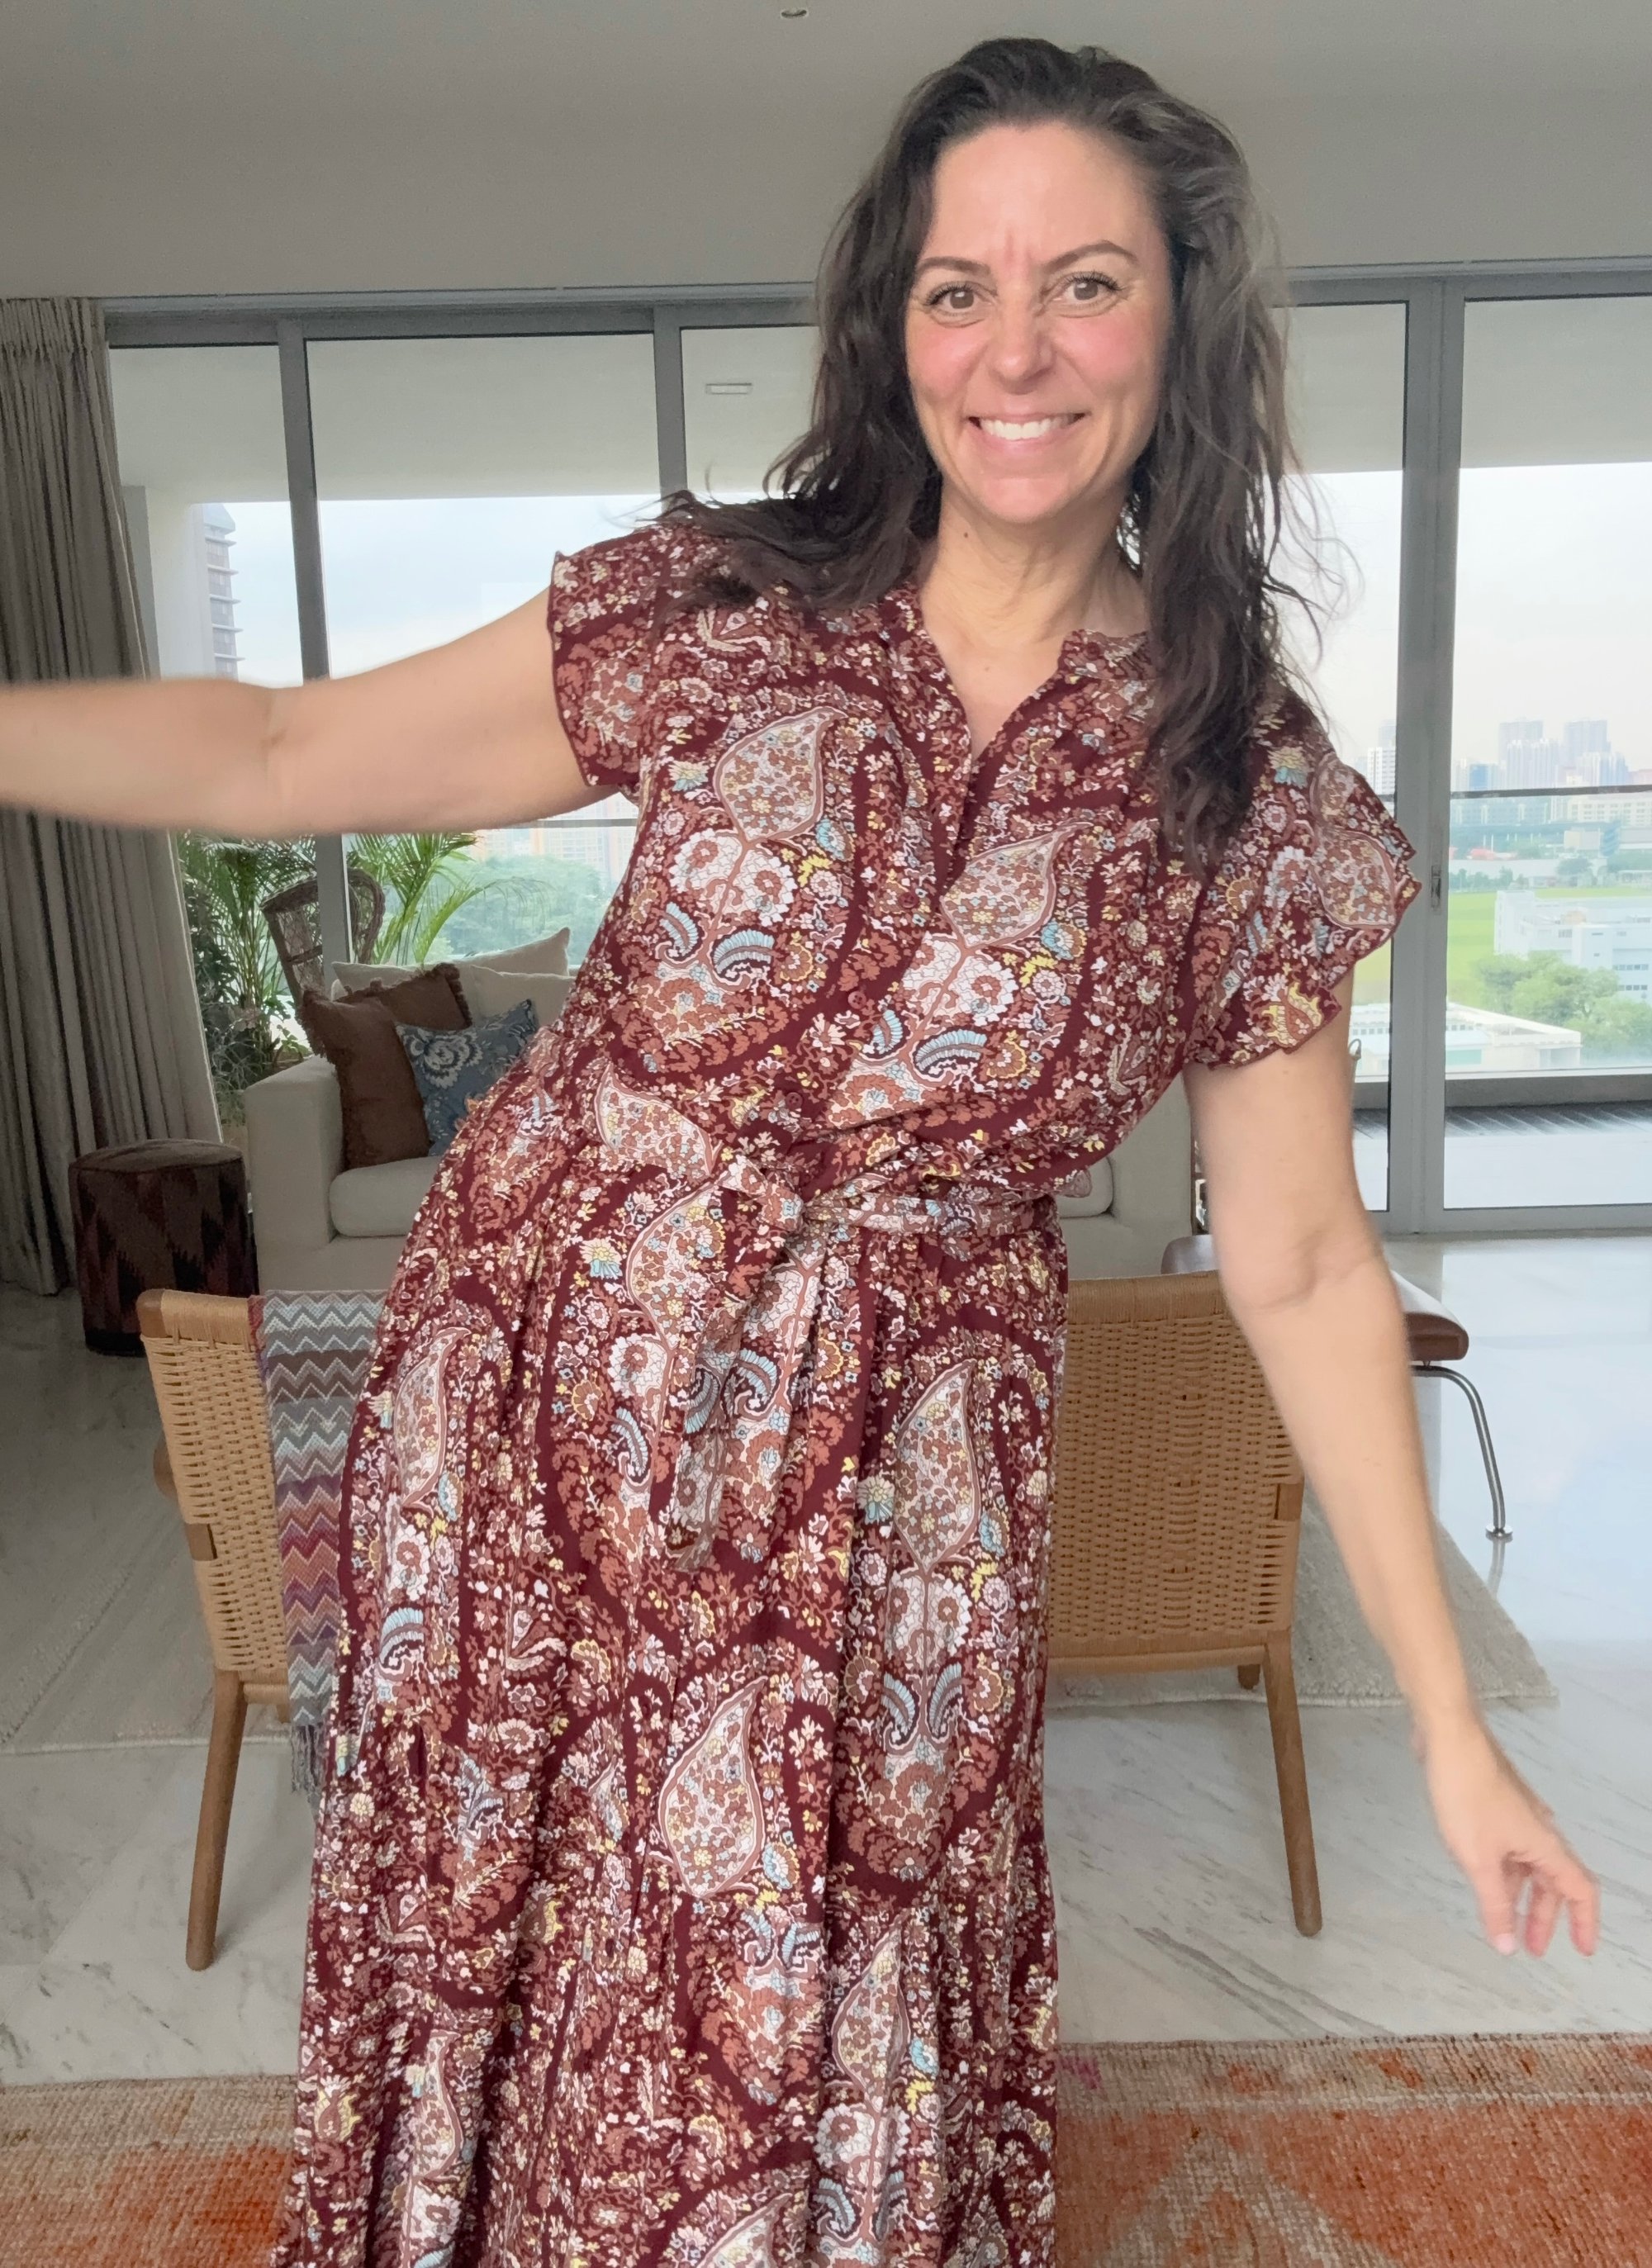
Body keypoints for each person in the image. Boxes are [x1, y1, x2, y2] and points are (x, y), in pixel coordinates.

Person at [0, 36, 1596, 2268]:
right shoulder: (720, 606)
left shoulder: (1247, 787)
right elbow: (279, 747)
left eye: (1086, 283)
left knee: (818, 1999)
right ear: (892, 326)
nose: (1015, 349)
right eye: (960, 287)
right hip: (540, 1421)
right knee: (520, 1951)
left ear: (1185, 328)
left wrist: (1446, 1722)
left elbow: (1311, 1261)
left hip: (902, 1493)